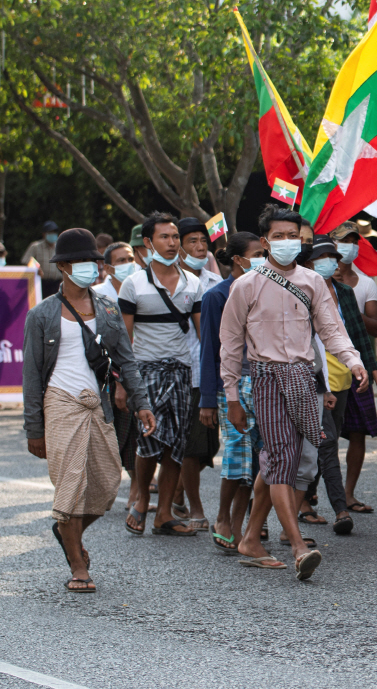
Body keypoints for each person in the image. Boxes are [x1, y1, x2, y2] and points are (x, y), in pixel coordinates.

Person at [220, 205, 367, 580]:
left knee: (290, 459)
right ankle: (300, 546)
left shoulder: (312, 282)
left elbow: (331, 329)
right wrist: (232, 397)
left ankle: (251, 538)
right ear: (266, 240)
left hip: (303, 378)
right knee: (282, 456)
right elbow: (231, 345)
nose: (288, 242)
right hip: (265, 379)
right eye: (279, 236)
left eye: (293, 235)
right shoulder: (246, 285)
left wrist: (353, 361)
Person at [22, 228, 155, 592]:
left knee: (106, 484)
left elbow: (127, 362)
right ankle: (78, 565)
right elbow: (31, 376)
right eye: (81, 262)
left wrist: (142, 403)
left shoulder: (108, 309)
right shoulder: (41, 315)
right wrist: (34, 429)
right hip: (60, 405)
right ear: (63, 266)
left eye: (93, 262)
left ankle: (68, 531)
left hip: (98, 406)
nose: (91, 268)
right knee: (70, 485)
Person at [118, 212, 202, 538]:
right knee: (149, 438)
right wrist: (123, 384)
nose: (172, 243)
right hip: (145, 371)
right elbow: (125, 342)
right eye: (164, 237)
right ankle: (140, 497)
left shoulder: (192, 283)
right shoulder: (133, 283)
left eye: (175, 237)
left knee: (176, 444)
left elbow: (202, 334)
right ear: (148, 243)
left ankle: (163, 513)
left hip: (181, 371)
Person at [305, 236, 377, 535]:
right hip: (310, 377)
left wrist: (372, 374)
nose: (330, 262)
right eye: (322, 257)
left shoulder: (344, 292)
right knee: (326, 442)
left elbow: (356, 337)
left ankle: (306, 497)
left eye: (333, 256)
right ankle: (340, 508)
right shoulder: (300, 292)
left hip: (341, 379)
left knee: (327, 437)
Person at [199, 232, 265, 554]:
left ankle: (239, 525)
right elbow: (209, 350)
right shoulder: (216, 296)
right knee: (237, 454)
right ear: (238, 259)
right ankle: (223, 517)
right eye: (257, 254)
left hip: (265, 382)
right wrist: (208, 400)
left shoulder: (268, 289)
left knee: (255, 460)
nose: (264, 259)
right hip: (233, 385)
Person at [330, 222, 377, 513]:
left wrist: (349, 305)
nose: (348, 246)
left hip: (357, 367)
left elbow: (374, 330)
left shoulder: (365, 284)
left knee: (358, 433)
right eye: (343, 240)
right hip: (326, 366)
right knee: (321, 432)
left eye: (354, 241)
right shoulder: (315, 281)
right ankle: (309, 493)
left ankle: (348, 494)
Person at [176, 217, 222, 530]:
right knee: (192, 447)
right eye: (192, 241)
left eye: (203, 241)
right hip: (183, 373)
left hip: (213, 373)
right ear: (178, 245)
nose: (200, 247)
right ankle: (195, 507)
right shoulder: (170, 281)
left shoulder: (215, 283)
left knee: (210, 447)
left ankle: (177, 493)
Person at [96, 242, 142, 503]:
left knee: (134, 430)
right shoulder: (97, 295)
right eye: (121, 260)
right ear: (109, 267)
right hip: (104, 374)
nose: (128, 263)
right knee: (106, 433)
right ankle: (100, 486)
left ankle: (137, 486)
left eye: (130, 258)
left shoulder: (139, 287)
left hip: (133, 369)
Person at [23, 220, 63, 298]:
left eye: (54, 232)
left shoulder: (60, 247)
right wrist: (35, 268)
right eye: (50, 232)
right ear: (44, 234)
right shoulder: (35, 246)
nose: (53, 234)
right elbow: (26, 261)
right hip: (41, 284)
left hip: (57, 284)